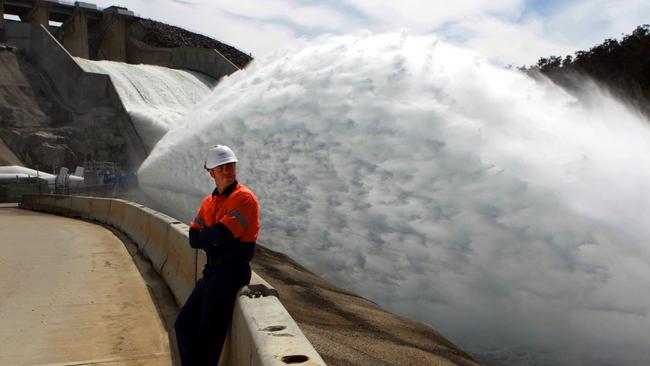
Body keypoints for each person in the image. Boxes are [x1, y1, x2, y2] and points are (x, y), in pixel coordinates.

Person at [174, 144, 260, 365]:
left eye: (230, 165)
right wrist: (212, 239)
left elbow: (222, 234)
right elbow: (194, 237)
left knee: (207, 343)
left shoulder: (244, 199)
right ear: (211, 172)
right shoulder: (209, 202)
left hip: (231, 275)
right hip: (212, 273)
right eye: (221, 167)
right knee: (183, 325)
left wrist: (212, 238)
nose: (227, 170)